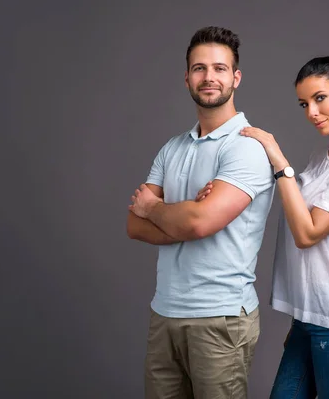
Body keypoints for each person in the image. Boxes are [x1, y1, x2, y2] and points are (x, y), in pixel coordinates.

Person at [197, 56, 329, 398]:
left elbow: (307, 233)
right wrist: (228, 186)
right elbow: (286, 197)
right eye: (304, 103)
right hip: (309, 318)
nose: (311, 112)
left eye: (319, 98)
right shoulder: (321, 158)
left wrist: (277, 155)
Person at [127, 26, 275, 399]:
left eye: (220, 69)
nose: (209, 77)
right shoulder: (172, 147)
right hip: (164, 313)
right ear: (187, 77)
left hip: (220, 316)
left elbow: (198, 222)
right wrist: (191, 213)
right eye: (199, 68)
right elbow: (134, 225)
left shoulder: (247, 147)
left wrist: (159, 208)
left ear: (235, 77)